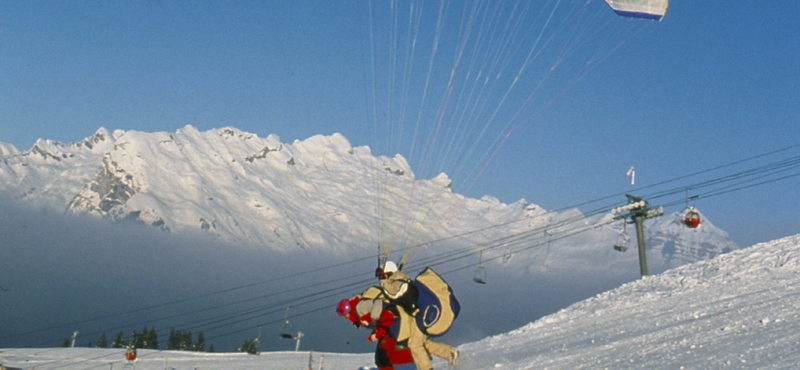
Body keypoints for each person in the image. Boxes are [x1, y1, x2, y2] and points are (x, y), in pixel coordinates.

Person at [377, 261, 459, 370]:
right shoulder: (401, 279)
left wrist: (383, 281)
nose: (381, 278)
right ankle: (449, 353)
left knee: (414, 344)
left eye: (384, 275)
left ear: (389, 273)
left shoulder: (400, 284)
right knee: (421, 342)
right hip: (420, 314)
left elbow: (393, 293)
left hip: (422, 314)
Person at [337, 293, 413, 370]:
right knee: (383, 358)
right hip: (388, 326)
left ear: (347, 309)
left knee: (383, 357)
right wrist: (375, 332)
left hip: (392, 324)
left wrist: (376, 328)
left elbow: (379, 304)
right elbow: (380, 320)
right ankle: (419, 354)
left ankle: (419, 354)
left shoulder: (360, 308)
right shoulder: (356, 314)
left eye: (344, 315)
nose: (344, 318)